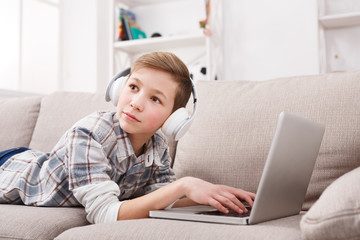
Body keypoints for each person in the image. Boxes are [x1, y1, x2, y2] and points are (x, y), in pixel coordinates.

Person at [0, 52, 255, 224]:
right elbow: (104, 214)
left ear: (174, 118)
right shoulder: (88, 133)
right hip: (12, 168)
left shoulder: (158, 147)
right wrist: (184, 185)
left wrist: (216, 197)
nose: (135, 103)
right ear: (119, 88)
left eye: (155, 99)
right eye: (133, 87)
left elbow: (160, 199)